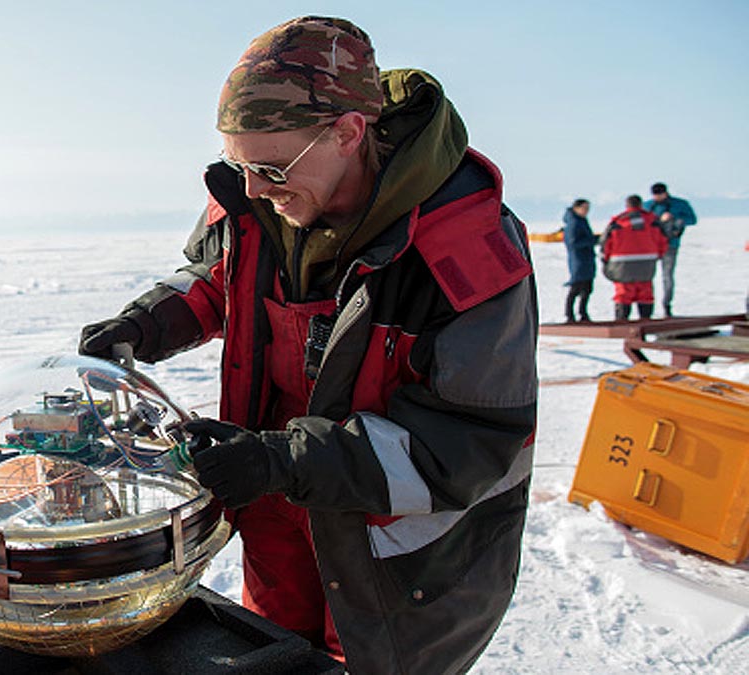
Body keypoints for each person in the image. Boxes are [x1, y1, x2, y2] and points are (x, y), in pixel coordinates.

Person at [78, 16, 537, 673]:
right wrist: (146, 324)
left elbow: (463, 443)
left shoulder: (465, 252)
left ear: (349, 133)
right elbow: (216, 279)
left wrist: (280, 459)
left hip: (400, 553)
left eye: (268, 166)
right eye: (241, 168)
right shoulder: (261, 198)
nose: (256, 189)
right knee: (270, 654)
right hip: (279, 506)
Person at [601, 195, 668, 321]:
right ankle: (645, 324)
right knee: (645, 292)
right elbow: (663, 241)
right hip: (646, 264)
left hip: (622, 265)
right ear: (640, 205)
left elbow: (606, 244)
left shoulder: (618, 222)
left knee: (624, 294)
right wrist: (657, 255)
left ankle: (622, 325)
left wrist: (606, 261)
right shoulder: (652, 220)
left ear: (627, 206)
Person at [644, 182, 697, 317]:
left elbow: (692, 219)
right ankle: (647, 305)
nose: (657, 198)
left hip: (670, 245)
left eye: (659, 195)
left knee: (667, 276)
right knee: (647, 276)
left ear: (665, 193)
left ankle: (667, 304)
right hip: (651, 246)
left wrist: (675, 219)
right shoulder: (648, 205)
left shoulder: (679, 204)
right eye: (654, 195)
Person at [562, 198, 597, 323]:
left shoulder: (581, 220)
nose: (586, 211)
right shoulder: (573, 223)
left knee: (587, 288)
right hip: (579, 260)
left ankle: (583, 313)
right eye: (584, 208)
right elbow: (572, 243)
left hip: (587, 259)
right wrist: (591, 241)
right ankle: (569, 315)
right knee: (576, 287)